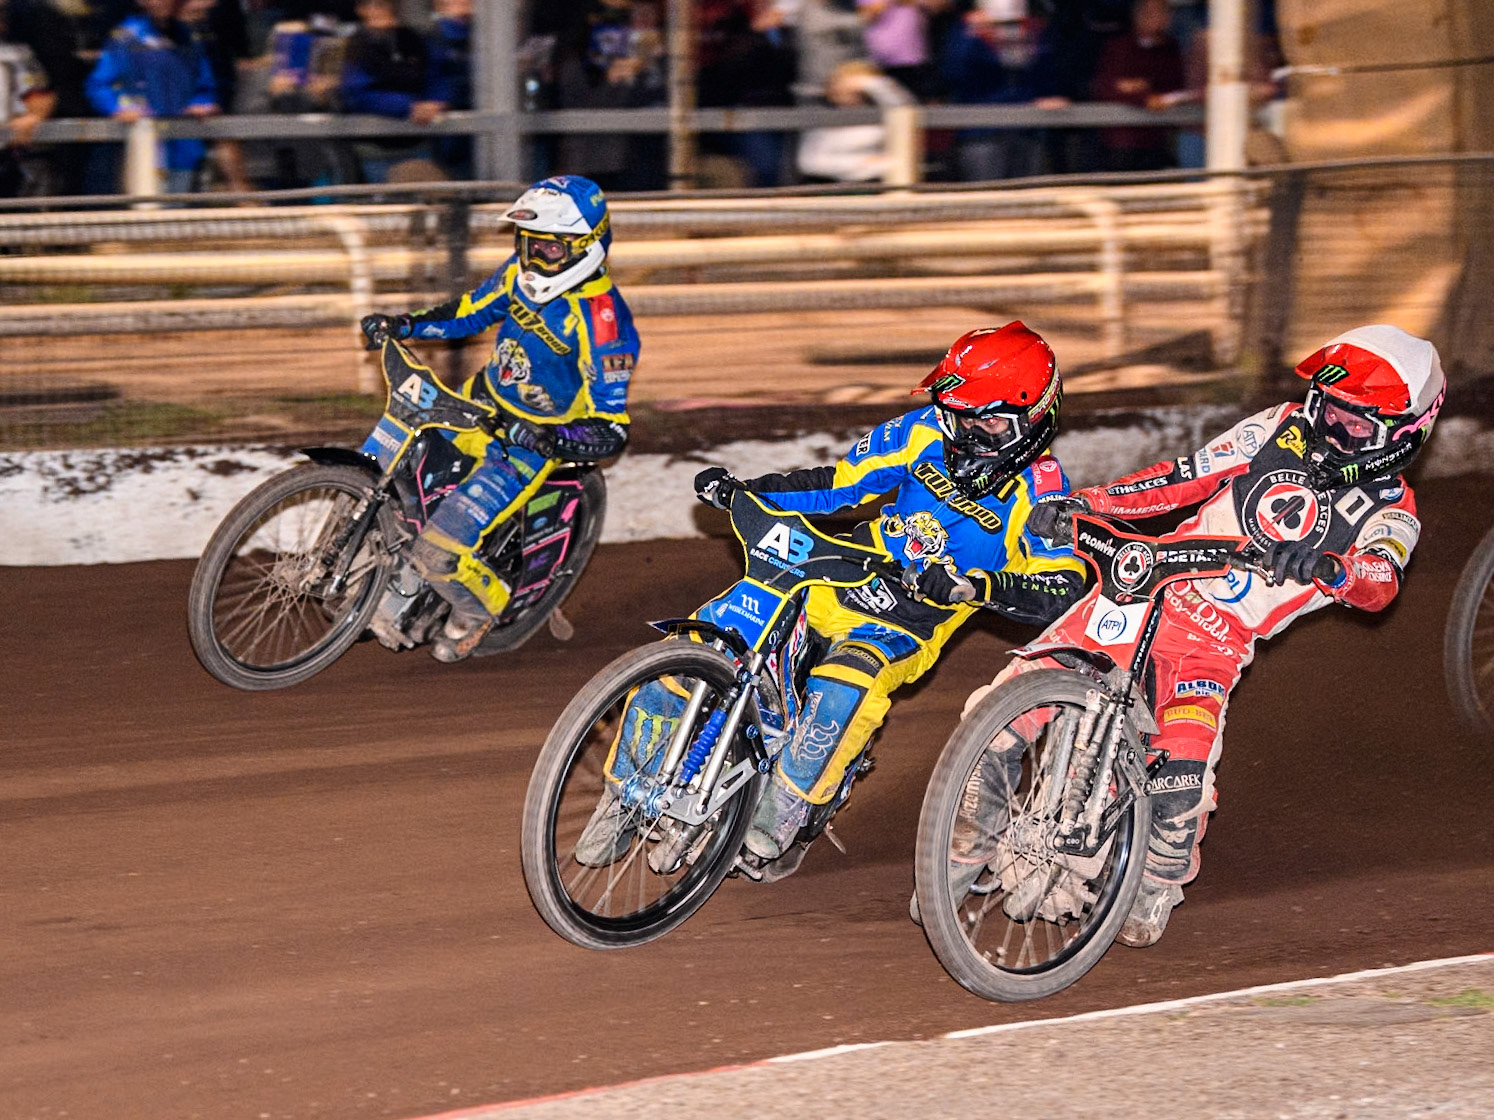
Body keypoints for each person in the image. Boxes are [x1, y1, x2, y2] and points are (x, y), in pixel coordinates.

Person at [974, 324, 1444, 946]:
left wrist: (1338, 568)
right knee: (999, 710)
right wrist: (1091, 502)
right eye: (1329, 408)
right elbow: (1184, 475)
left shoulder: (1393, 507)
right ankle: (957, 859)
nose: (1334, 428)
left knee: (1178, 792)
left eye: (1356, 423)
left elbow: (1381, 579)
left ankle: (1155, 883)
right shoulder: (1280, 427)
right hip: (1147, 586)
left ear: (1405, 433)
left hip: (1215, 645)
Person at [577, 321, 1087, 875]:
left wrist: (976, 585)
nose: (962, 431)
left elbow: (1061, 589)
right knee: (702, 639)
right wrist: (748, 491)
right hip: (838, 572)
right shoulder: (922, 433)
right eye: (956, 414)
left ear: (1032, 421)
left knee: (845, 684)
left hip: (910, 619)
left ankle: (783, 813)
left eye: (983, 420)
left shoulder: (1045, 492)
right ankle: (626, 793)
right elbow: (838, 484)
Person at [358, 175, 639, 663]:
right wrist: (404, 324)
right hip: (474, 405)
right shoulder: (518, 275)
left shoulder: (604, 323)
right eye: (528, 244)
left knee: (437, 551)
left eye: (549, 249)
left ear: (586, 247)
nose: (534, 258)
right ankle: (383, 587)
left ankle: (479, 610)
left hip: (524, 447)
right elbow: (468, 313)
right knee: (392, 476)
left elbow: (611, 428)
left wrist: (547, 438)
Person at [86, 0, 220, 194]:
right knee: (144, 209)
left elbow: (204, 84)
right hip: (141, 144)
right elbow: (99, 84)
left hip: (183, 145)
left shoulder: (189, 37)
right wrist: (116, 108)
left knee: (179, 211)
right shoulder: (127, 37)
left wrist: (202, 103)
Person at [1090, 0, 1184, 171]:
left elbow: (1173, 87)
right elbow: (1105, 87)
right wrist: (1143, 98)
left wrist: (1143, 89)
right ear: (1138, 16)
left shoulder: (1170, 48)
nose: (1160, 18)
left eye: (1164, 13)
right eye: (1152, 13)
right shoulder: (1118, 47)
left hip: (1156, 142)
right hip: (1120, 143)